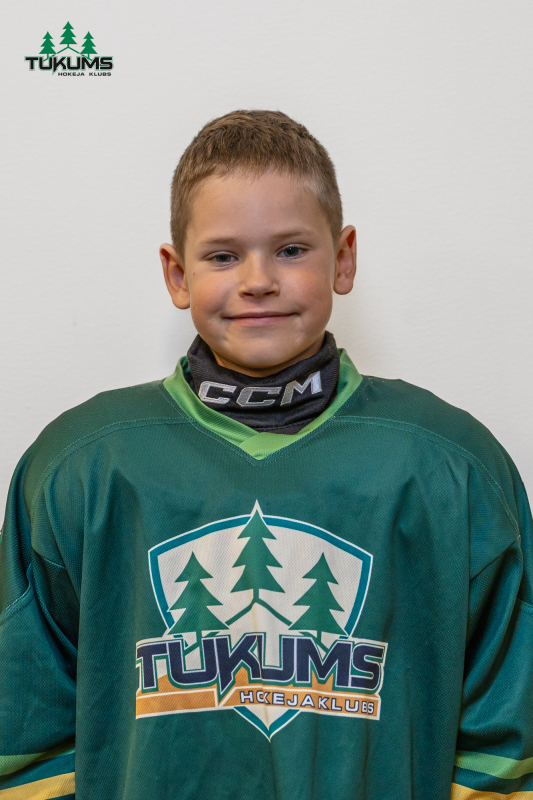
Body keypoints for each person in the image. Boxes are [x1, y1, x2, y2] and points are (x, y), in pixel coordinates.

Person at [0, 109, 532, 800]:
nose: (257, 280)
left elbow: (506, 736)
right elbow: (26, 730)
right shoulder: (81, 466)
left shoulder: (449, 465)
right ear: (176, 273)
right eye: (223, 256)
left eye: (291, 250)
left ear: (343, 258)